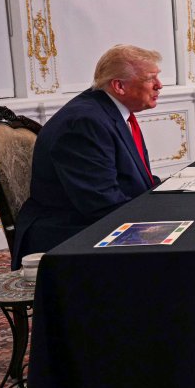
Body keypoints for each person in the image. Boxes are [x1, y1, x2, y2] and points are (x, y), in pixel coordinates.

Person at [12, 44, 164, 268]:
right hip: (68, 231)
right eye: (151, 79)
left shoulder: (108, 112)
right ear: (119, 86)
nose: (159, 86)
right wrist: (161, 216)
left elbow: (131, 180)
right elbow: (101, 204)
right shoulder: (85, 122)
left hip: (92, 217)